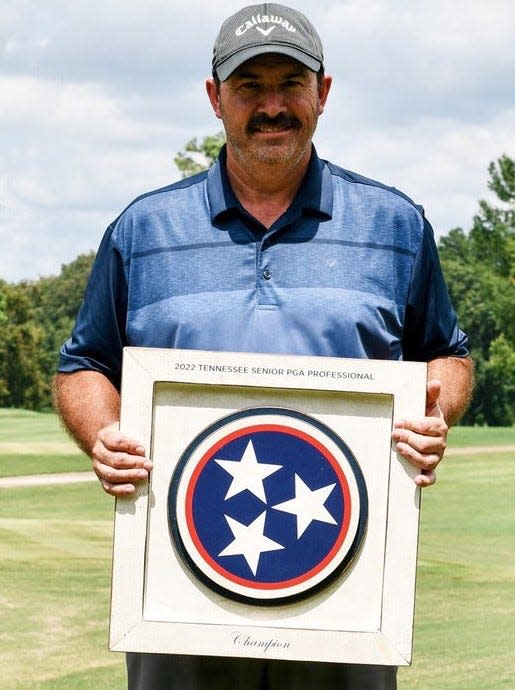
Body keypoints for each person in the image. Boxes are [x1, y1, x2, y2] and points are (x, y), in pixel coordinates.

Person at [54, 3, 474, 689]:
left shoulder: (395, 224)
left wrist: (437, 413)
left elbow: (444, 353)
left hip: (347, 597)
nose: (271, 106)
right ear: (215, 97)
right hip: (178, 591)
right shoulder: (142, 228)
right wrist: (103, 432)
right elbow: (85, 364)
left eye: (290, 84)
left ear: (323, 93)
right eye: (250, 86)